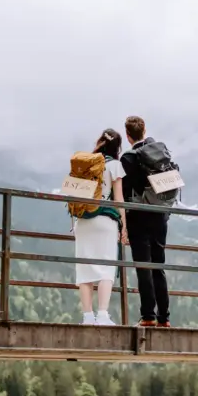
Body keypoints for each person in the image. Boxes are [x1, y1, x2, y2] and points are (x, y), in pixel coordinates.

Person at [120, 115, 172, 327]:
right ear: (144, 130)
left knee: (144, 266)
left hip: (139, 216)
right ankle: (164, 318)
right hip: (161, 215)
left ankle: (148, 315)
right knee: (158, 265)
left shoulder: (129, 158)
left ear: (127, 135)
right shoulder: (159, 150)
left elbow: (124, 191)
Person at [73, 128, 128, 326]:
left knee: (84, 268)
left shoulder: (86, 163)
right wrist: (124, 226)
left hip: (83, 221)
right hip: (105, 221)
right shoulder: (115, 165)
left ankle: (87, 317)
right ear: (118, 147)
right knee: (106, 267)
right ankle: (102, 315)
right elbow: (119, 199)